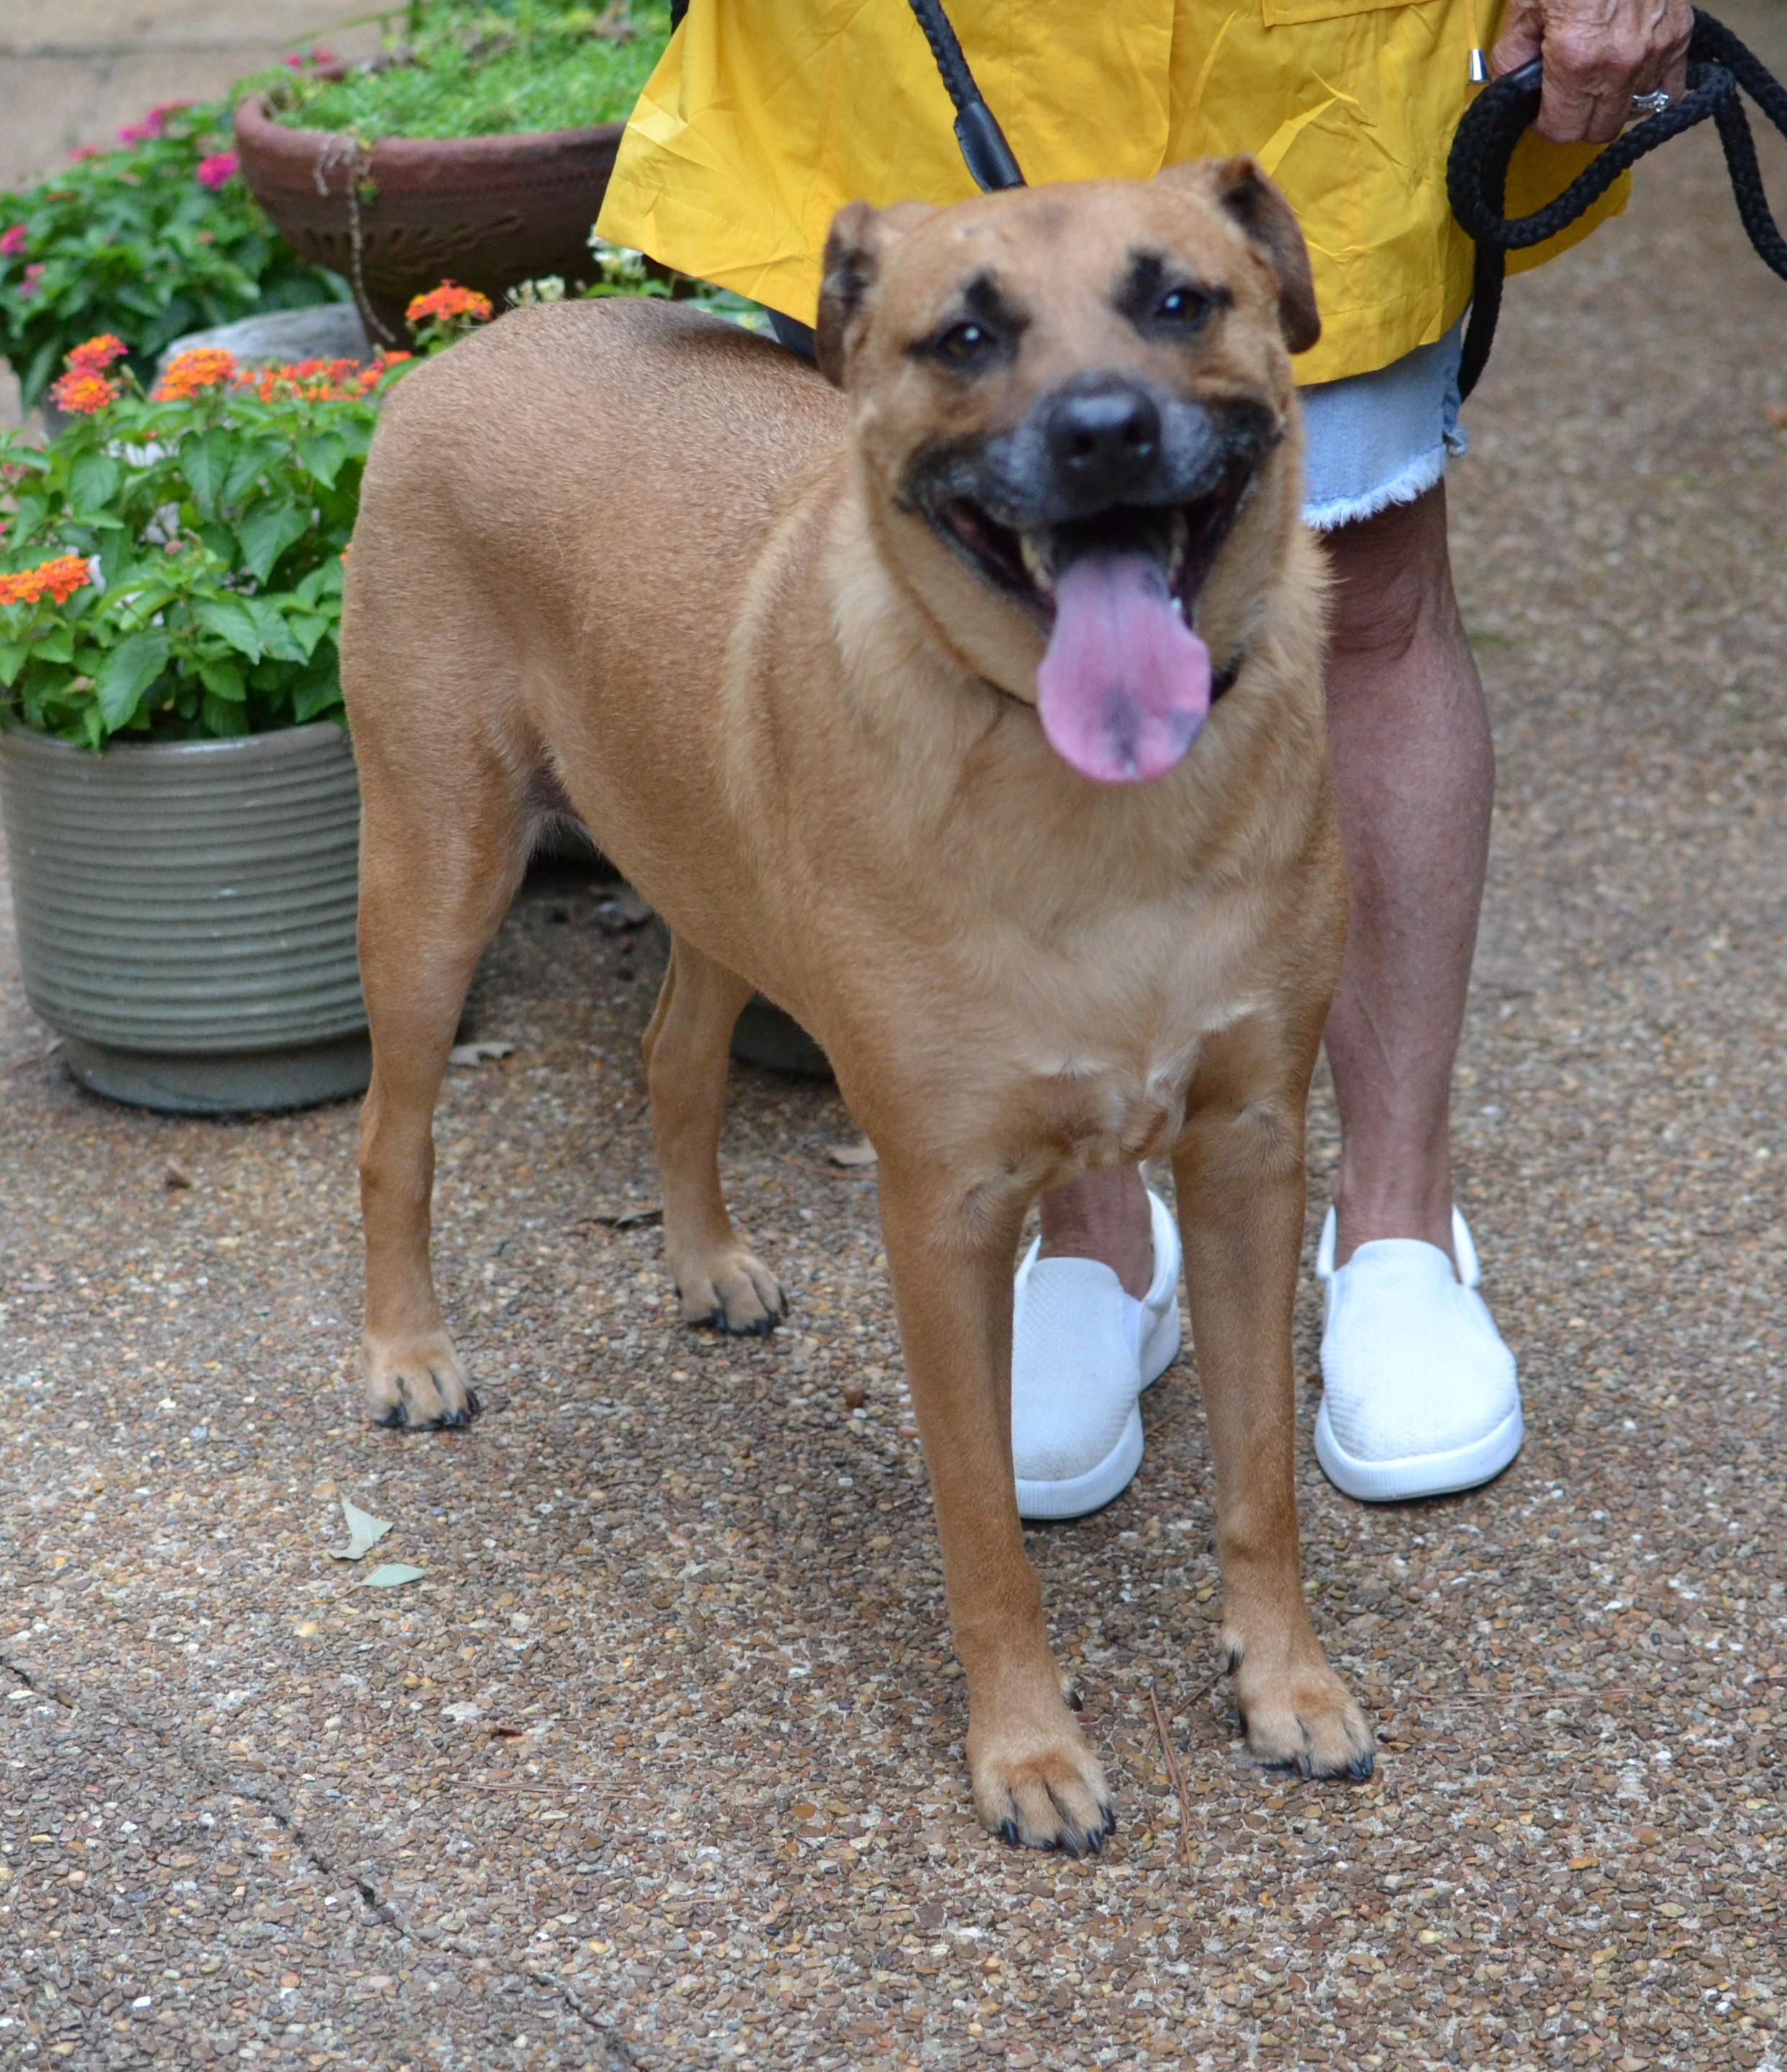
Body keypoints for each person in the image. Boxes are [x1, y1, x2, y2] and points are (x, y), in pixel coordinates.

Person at [596, 0, 1692, 1510]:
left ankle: (1397, 1223)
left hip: (1300, 53)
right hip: (915, 48)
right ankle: (1088, 1237)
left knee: (1358, 587)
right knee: (964, 585)